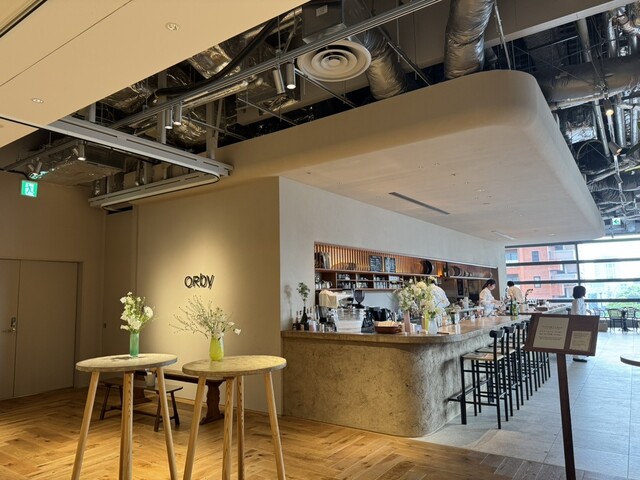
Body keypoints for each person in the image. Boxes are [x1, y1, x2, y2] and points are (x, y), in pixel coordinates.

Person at [570, 285, 588, 362]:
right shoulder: (577, 301)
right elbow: (577, 312)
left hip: (581, 321)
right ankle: (576, 357)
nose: (585, 292)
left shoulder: (581, 300)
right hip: (578, 322)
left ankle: (581, 355)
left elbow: (582, 310)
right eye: (584, 291)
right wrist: (582, 320)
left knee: (581, 339)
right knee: (577, 339)